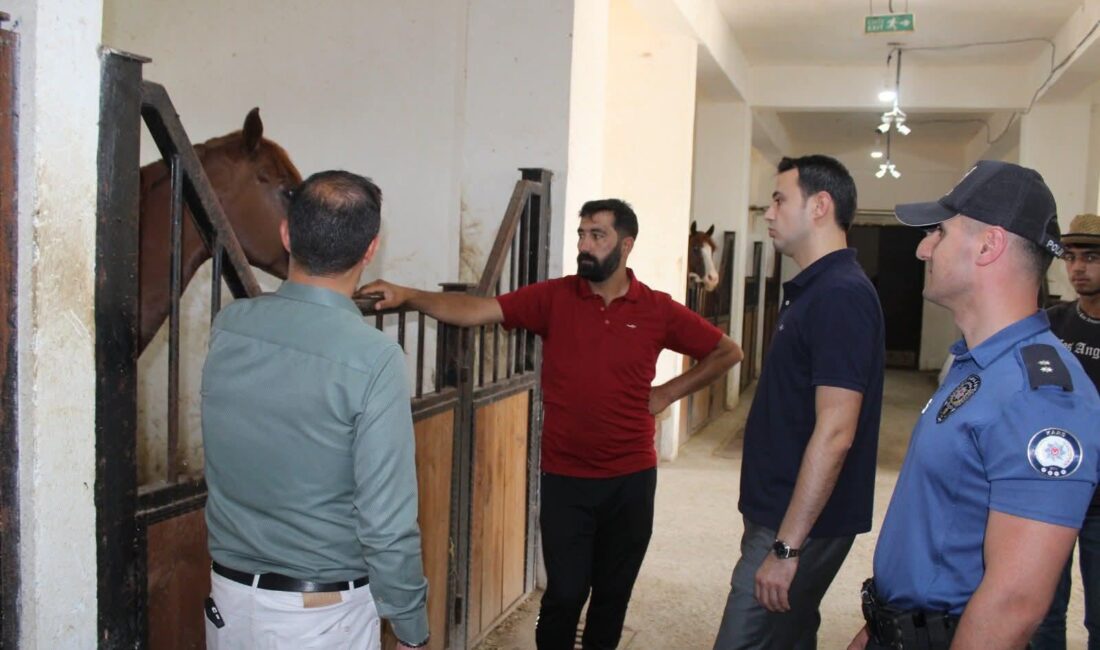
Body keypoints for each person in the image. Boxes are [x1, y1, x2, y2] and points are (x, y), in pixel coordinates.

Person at [360, 198, 742, 650]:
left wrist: (667, 393)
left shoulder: (656, 308)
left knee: (613, 596)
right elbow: (475, 310)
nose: (584, 245)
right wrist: (409, 295)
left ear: (626, 245)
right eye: (581, 234)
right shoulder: (555, 298)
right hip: (566, 479)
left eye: (597, 236)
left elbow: (727, 351)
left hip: (631, 479)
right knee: (564, 593)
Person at [850, 161, 1100, 650]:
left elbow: (1014, 604)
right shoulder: (978, 365)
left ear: (989, 245)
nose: (923, 248)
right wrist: (877, 626)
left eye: (939, 232)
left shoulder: (1039, 397)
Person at [201, 170, 430, 650]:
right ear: (370, 250)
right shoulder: (374, 358)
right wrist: (410, 626)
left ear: (286, 234)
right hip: (320, 617)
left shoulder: (230, 326)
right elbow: (386, 524)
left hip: (229, 601)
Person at [713, 155, 885, 650]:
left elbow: (836, 431)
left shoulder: (840, 295)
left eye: (779, 199)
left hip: (799, 522)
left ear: (820, 206)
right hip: (783, 510)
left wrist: (787, 548)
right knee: (787, 637)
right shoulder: (817, 289)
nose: (768, 213)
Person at [1033, 212, 1100, 650]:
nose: (1077, 268)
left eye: (1091, 258)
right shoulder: (1051, 325)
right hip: (1052, 490)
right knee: (1042, 613)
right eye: (1071, 257)